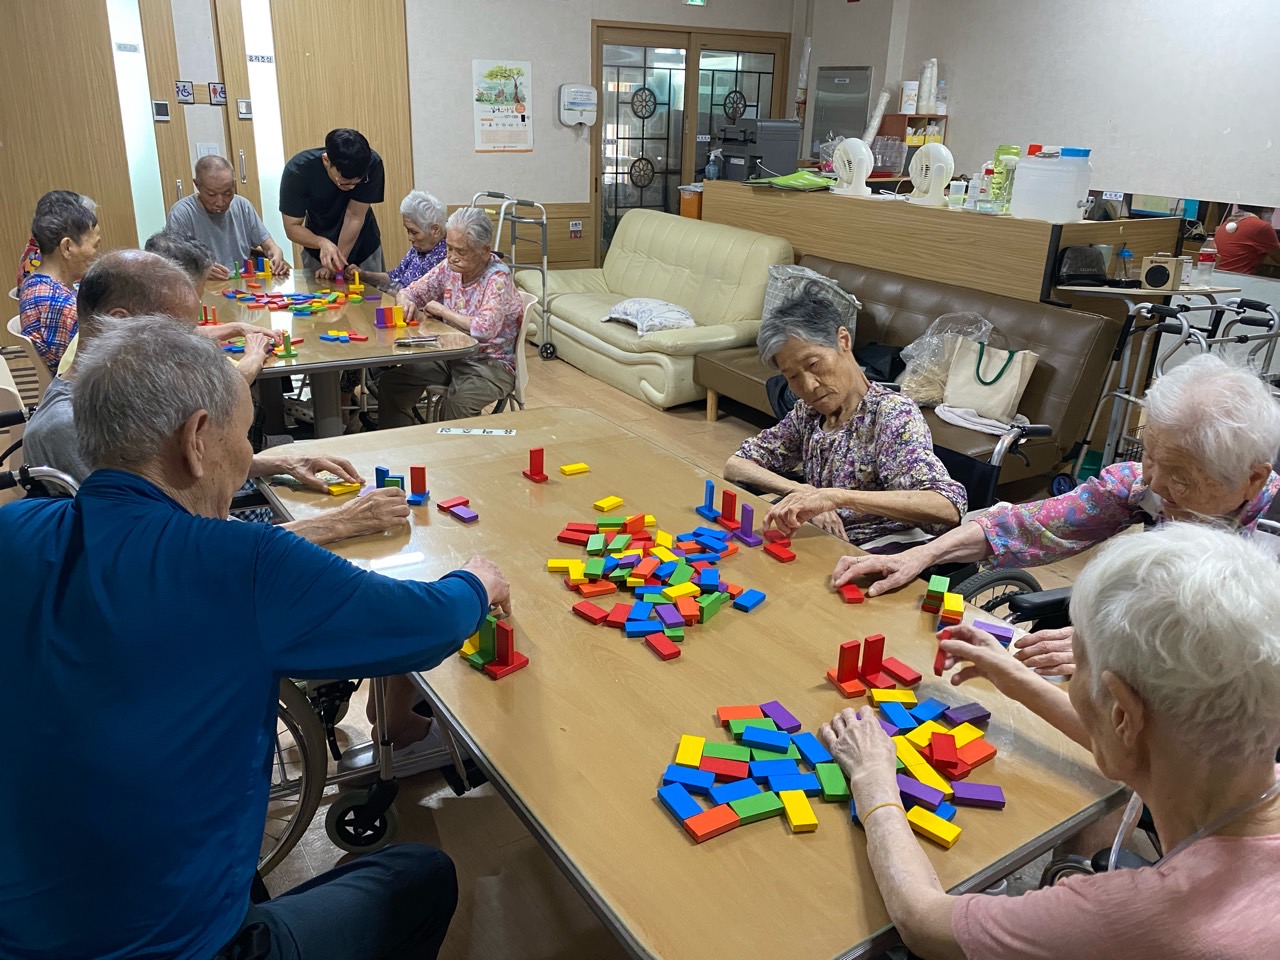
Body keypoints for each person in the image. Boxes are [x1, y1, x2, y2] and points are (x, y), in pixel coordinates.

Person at [0, 315, 512, 959]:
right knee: (423, 875)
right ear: (196, 440)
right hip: (178, 947)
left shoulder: (15, 531)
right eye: (244, 436)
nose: (247, 457)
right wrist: (477, 581)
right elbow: (425, 625)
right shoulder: (244, 562)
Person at [820, 522, 1280, 960]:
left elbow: (922, 923)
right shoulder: (1237, 762)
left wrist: (874, 780)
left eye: (1078, 666)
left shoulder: (1126, 916)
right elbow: (1141, 744)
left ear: (1122, 713)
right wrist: (1015, 677)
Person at [832, 353, 1280, 676]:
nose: (1156, 484)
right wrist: (921, 555)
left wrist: (1128, 649)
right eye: (1148, 455)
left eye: (1181, 476)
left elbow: (1254, 663)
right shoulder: (1142, 486)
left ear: (1253, 479)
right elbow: (1027, 524)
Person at [23, 250, 408, 547]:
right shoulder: (71, 425)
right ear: (121, 322)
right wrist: (338, 523)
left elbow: (172, 473)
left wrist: (282, 461)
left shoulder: (125, 396)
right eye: (180, 333)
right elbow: (185, 551)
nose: (193, 346)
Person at [725, 285, 966, 545]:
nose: (809, 386)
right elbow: (736, 465)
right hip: (822, 540)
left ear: (843, 341)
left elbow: (947, 505)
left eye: (813, 364)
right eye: (793, 377)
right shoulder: (808, 413)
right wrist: (804, 492)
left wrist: (836, 498)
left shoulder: (890, 414)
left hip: (874, 550)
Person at [58, 234, 279, 383]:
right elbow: (232, 387)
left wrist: (235, 328)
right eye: (193, 294)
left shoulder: (105, 334)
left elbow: (176, 333)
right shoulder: (129, 364)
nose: (198, 302)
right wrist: (254, 354)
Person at [376, 207, 523, 427]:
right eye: (449, 248)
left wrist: (442, 311)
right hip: (452, 354)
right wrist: (405, 300)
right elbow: (410, 291)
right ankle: (401, 440)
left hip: (490, 363)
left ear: (484, 251)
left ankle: (454, 449)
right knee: (392, 383)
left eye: (461, 251)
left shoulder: (497, 277)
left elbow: (485, 329)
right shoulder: (449, 266)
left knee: (457, 404)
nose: (452, 257)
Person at [280, 128, 385, 280]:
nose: (351, 187)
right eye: (344, 183)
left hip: (364, 247)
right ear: (326, 160)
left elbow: (354, 216)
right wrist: (321, 242)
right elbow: (292, 227)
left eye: (357, 183)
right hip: (318, 250)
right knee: (321, 293)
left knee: (370, 294)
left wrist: (336, 263)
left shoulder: (372, 163)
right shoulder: (298, 171)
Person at [166, 154, 291, 279]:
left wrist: (276, 256)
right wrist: (200, 271)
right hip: (205, 284)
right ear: (197, 185)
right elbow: (172, 264)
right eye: (211, 194)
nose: (220, 202)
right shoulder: (182, 213)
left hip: (242, 281)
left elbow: (271, 247)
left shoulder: (243, 206)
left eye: (227, 193)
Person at [17, 191, 101, 372]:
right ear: (67, 247)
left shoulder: (33, 282)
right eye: (95, 245)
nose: (97, 253)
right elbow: (97, 365)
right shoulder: (62, 305)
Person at [357, 189, 448, 292]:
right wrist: (363, 275)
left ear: (435, 230)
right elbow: (395, 276)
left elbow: (419, 295)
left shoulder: (446, 259)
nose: (410, 238)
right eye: (408, 231)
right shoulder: (420, 248)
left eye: (414, 232)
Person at [1213, 204, 1280, 274]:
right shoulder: (1261, 226)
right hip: (1238, 278)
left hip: (1218, 275)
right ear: (1266, 207)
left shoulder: (1228, 221)